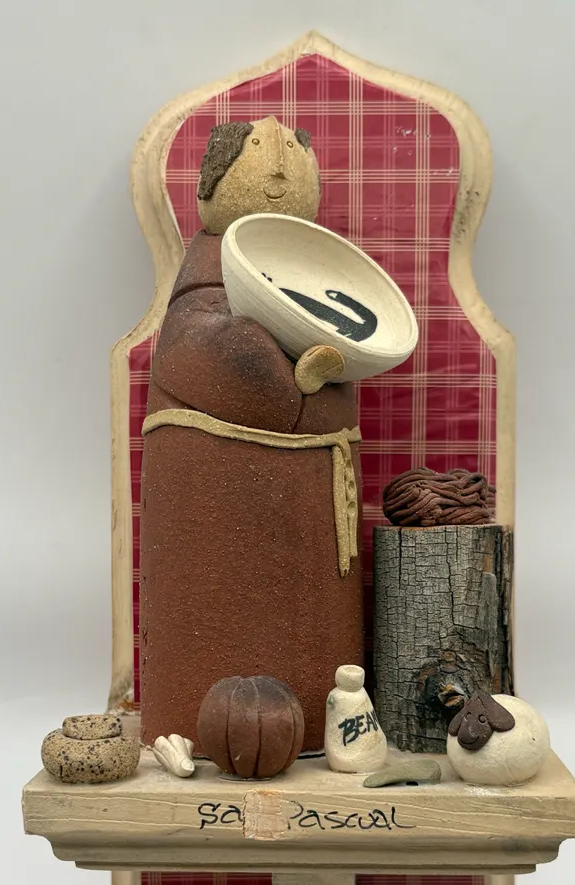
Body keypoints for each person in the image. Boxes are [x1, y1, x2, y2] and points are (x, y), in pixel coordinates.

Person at [139, 116, 364, 753]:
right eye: (260, 151)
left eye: (292, 151)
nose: (279, 167)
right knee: (209, 610)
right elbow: (195, 349)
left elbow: (353, 339)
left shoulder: (320, 265)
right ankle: (190, 722)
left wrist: (316, 387)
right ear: (212, 184)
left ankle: (329, 726)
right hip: (212, 481)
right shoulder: (207, 267)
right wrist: (281, 379)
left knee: (312, 626)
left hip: (309, 485)